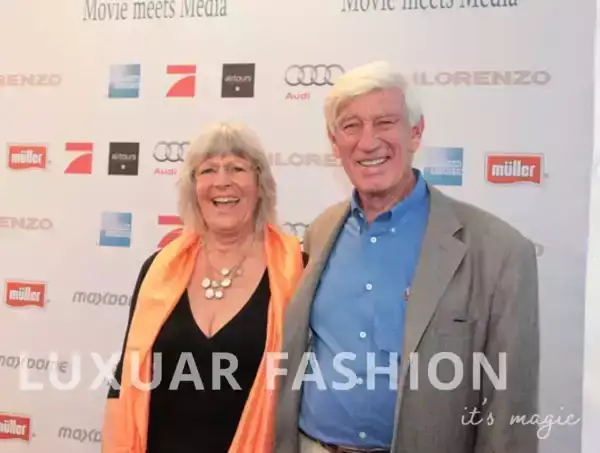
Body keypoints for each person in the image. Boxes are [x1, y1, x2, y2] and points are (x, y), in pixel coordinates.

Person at [273, 61, 540, 453]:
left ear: (415, 133)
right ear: (334, 142)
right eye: (351, 126)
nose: (368, 142)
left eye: (385, 122)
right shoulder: (321, 230)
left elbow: (510, 415)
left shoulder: (499, 251)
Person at [101, 122, 307, 453]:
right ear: (193, 187)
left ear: (260, 185)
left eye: (237, 168)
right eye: (208, 170)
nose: (222, 181)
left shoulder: (297, 271)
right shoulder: (158, 269)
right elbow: (124, 378)